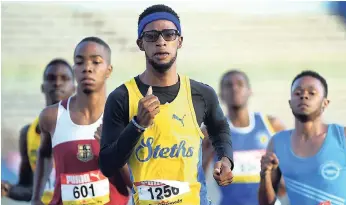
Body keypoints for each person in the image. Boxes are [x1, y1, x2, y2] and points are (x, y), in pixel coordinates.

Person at [99, 4, 234, 205]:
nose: (161, 42)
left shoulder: (201, 94)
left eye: (169, 34)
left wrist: (226, 158)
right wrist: (137, 125)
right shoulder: (122, 97)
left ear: (179, 41)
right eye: (151, 36)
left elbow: (220, 128)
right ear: (140, 43)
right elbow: (108, 165)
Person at [259, 70, 346, 205]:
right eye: (298, 93)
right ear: (290, 103)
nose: (304, 96)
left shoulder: (345, 137)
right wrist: (264, 175)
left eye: (312, 93)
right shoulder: (278, 142)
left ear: (325, 103)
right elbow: (266, 203)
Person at [31, 37, 130, 205]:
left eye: (96, 62)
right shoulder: (52, 117)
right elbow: (44, 153)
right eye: (80, 62)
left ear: (109, 70)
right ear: (74, 69)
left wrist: (115, 150)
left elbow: (134, 183)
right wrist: (35, 198)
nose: (87, 68)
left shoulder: (123, 117)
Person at [202, 70, 287, 205]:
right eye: (228, 85)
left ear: (250, 91)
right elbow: (196, 176)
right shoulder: (211, 132)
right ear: (221, 95)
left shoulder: (271, 125)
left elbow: (290, 170)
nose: (235, 88)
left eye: (240, 84)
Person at [1, 59, 75, 204]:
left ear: (74, 87)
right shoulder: (28, 133)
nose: (57, 83)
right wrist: (7, 189)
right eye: (51, 78)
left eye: (64, 78)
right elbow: (29, 188)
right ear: (43, 87)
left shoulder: (87, 128)